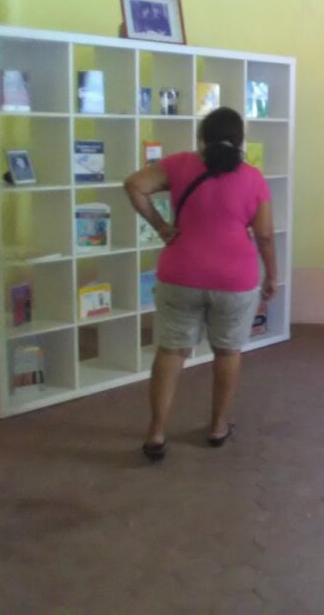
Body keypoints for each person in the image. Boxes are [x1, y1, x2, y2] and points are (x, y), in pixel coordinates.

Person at [124, 108, 277, 462]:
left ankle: (156, 432)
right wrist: (273, 275)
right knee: (227, 351)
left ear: (202, 138)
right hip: (234, 280)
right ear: (240, 140)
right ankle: (218, 427)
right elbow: (265, 236)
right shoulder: (253, 178)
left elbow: (134, 184)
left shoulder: (179, 165)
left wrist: (162, 227)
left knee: (171, 351)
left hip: (180, 274)